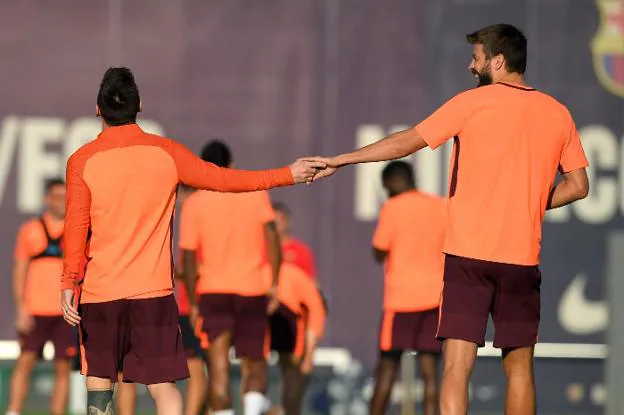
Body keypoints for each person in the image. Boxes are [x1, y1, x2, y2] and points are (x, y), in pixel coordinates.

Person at [308, 24, 590, 415]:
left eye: (476, 59)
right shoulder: (558, 113)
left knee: (456, 368)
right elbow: (578, 186)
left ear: (498, 61)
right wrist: (527, 204)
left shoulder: (471, 104)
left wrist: (342, 159)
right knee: (521, 370)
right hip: (522, 260)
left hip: (468, 259)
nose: (470, 66)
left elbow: (407, 140)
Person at [59, 67, 322, 415]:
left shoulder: (81, 161)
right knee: (162, 387)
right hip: (153, 293)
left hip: (99, 291)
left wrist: (68, 283)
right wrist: (287, 174)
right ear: (141, 105)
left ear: (97, 109)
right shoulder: (166, 153)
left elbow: (76, 228)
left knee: (100, 385)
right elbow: (226, 181)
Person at [179, 140, 282, 415]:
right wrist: (273, 282)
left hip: (212, 292)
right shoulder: (254, 192)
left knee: (218, 368)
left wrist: (193, 300)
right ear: (232, 165)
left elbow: (188, 258)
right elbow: (272, 237)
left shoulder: (194, 203)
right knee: (255, 362)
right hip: (252, 289)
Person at [369, 161, 445, 415]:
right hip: (435, 299)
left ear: (392, 182)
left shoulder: (392, 207)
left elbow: (379, 250)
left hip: (400, 301)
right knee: (430, 374)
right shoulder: (440, 205)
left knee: (387, 369)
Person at [6, 178, 77, 415]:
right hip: (35, 309)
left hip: (66, 311)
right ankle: (14, 410)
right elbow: (19, 269)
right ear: (47, 199)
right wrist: (20, 308)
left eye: (64, 197)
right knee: (25, 361)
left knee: (63, 367)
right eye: (56, 197)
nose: (61, 202)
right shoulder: (31, 230)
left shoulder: (76, 232)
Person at [268, 263, 326, 415]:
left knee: (292, 372)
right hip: (283, 321)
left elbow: (316, 309)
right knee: (291, 371)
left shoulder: (295, 277)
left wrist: (308, 356)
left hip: (291, 325)